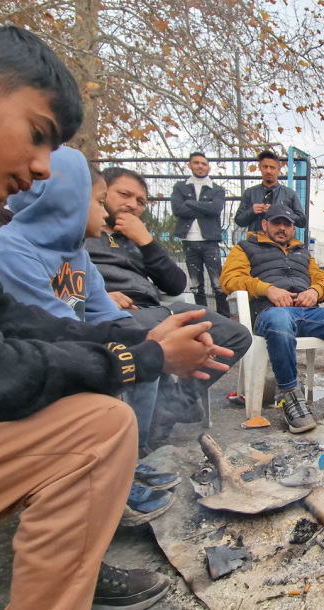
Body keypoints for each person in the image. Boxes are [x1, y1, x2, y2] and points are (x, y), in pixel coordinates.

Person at [0, 23, 231, 610]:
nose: (39, 170)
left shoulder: (87, 255)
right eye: (38, 134)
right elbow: (2, 370)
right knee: (98, 428)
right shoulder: (6, 247)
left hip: (78, 343)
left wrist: (152, 338)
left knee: (193, 334)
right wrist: (143, 353)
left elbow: (33, 326)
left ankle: (121, 483)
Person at [0, 148, 180, 525]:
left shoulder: (78, 256)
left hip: (53, 353)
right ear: (66, 200)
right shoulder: (3, 253)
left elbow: (100, 315)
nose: (106, 213)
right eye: (99, 201)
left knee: (145, 350)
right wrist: (134, 353)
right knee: (113, 402)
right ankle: (105, 484)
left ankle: (127, 462)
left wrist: (148, 340)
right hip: (24, 384)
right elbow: (42, 334)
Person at [86, 166, 251, 440]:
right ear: (102, 193)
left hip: (157, 309)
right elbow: (63, 279)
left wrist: (146, 242)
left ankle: (173, 405)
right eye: (124, 195)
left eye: (140, 201)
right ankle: (146, 439)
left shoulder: (138, 238)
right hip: (111, 313)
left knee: (236, 335)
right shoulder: (84, 232)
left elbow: (175, 285)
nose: (132, 205)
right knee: (143, 337)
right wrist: (98, 297)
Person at [221, 203, 324, 432]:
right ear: (264, 224)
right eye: (276, 223)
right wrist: (267, 289)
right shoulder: (245, 248)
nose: (282, 228)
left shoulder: (303, 253)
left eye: (287, 224)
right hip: (270, 313)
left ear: (293, 229)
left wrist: (314, 292)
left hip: (309, 313)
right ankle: (290, 396)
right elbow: (229, 280)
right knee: (280, 319)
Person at [170, 152, 229, 317]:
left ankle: (224, 316)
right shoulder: (180, 187)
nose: (200, 166)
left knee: (218, 283)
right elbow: (177, 209)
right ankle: (203, 316)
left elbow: (215, 209)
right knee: (196, 284)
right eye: (196, 163)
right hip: (189, 241)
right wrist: (204, 207)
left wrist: (189, 203)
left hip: (210, 241)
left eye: (203, 164)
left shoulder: (216, 189)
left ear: (208, 167)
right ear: (190, 165)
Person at [233, 149, 306, 233]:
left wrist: (279, 211)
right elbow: (239, 220)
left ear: (278, 170)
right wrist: (251, 212)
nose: (268, 171)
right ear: (260, 167)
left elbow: (302, 221)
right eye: (265, 167)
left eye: (272, 167)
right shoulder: (250, 193)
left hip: (281, 243)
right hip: (255, 242)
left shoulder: (290, 194)